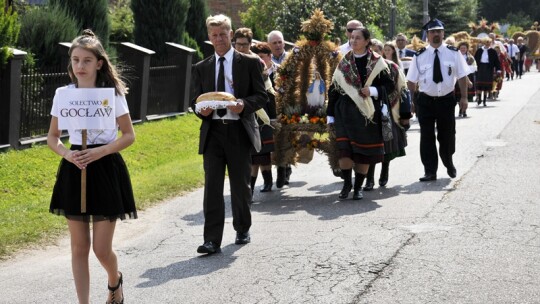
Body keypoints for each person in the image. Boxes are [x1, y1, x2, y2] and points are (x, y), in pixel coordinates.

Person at [47, 29, 136, 304]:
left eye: (86, 60)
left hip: (105, 168)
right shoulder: (64, 94)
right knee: (79, 247)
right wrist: (66, 154)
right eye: (75, 60)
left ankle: (114, 280)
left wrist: (99, 152)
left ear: (99, 63)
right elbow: (52, 137)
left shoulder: (112, 94)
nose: (80, 66)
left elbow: (129, 135)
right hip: (75, 167)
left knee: (100, 248)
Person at [191, 14, 267, 255]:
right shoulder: (201, 67)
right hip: (213, 132)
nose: (219, 39)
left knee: (240, 184)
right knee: (212, 186)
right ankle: (212, 240)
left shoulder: (250, 63)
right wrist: (199, 109)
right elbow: (195, 101)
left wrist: (243, 104)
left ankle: (242, 227)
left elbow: (262, 96)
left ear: (231, 35)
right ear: (209, 38)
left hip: (238, 130)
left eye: (223, 34)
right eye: (214, 35)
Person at [328, 27, 395, 200]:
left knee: (363, 153)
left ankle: (357, 187)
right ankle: (346, 184)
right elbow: (334, 89)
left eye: (358, 38)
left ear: (367, 41)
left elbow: (389, 86)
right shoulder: (344, 63)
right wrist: (330, 115)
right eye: (352, 38)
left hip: (368, 114)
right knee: (344, 150)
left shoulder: (378, 63)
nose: (354, 41)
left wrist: (372, 90)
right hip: (344, 111)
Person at [406, 19, 470, 181]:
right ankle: (430, 171)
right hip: (425, 101)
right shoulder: (419, 56)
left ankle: (448, 161)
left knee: (447, 135)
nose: (436, 34)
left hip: (446, 101)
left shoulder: (453, 53)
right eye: (432, 31)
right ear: (427, 35)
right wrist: (411, 101)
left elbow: (462, 76)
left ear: (443, 33)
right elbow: (411, 81)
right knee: (426, 137)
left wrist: (464, 97)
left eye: (438, 31)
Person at [362, 41, 411, 191]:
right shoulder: (363, 68)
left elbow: (403, 90)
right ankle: (369, 178)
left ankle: (385, 170)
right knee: (369, 145)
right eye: (372, 50)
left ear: (382, 52)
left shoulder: (392, 67)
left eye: (378, 50)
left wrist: (405, 114)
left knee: (387, 144)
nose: (374, 53)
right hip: (368, 112)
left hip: (389, 112)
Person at [248, 42, 278, 195]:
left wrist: (273, 117)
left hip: (265, 115)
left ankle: (268, 180)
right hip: (250, 114)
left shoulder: (267, 73)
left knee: (264, 153)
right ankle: (250, 188)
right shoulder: (246, 70)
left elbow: (271, 96)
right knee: (253, 155)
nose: (258, 60)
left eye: (261, 57)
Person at [267, 30, 292, 186]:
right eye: (274, 43)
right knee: (275, 138)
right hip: (271, 104)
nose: (277, 45)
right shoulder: (264, 60)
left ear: (284, 43)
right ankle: (280, 167)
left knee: (287, 136)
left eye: (279, 42)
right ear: (269, 44)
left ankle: (284, 167)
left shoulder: (291, 59)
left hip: (289, 103)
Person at [474, 38, 501, 106]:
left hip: (489, 69)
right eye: (486, 43)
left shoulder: (492, 51)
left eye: (489, 43)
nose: (488, 44)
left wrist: (498, 69)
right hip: (480, 68)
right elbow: (475, 59)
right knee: (479, 85)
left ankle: (484, 100)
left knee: (486, 85)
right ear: (483, 43)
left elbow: (496, 61)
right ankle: (479, 98)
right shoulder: (479, 50)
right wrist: (473, 68)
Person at [454, 41, 477, 117]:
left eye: (464, 48)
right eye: (461, 48)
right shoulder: (456, 57)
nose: (463, 49)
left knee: (465, 95)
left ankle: (464, 110)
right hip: (458, 78)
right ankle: (460, 109)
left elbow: (474, 67)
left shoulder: (470, 57)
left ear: (467, 49)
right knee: (459, 95)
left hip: (468, 76)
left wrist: (466, 69)